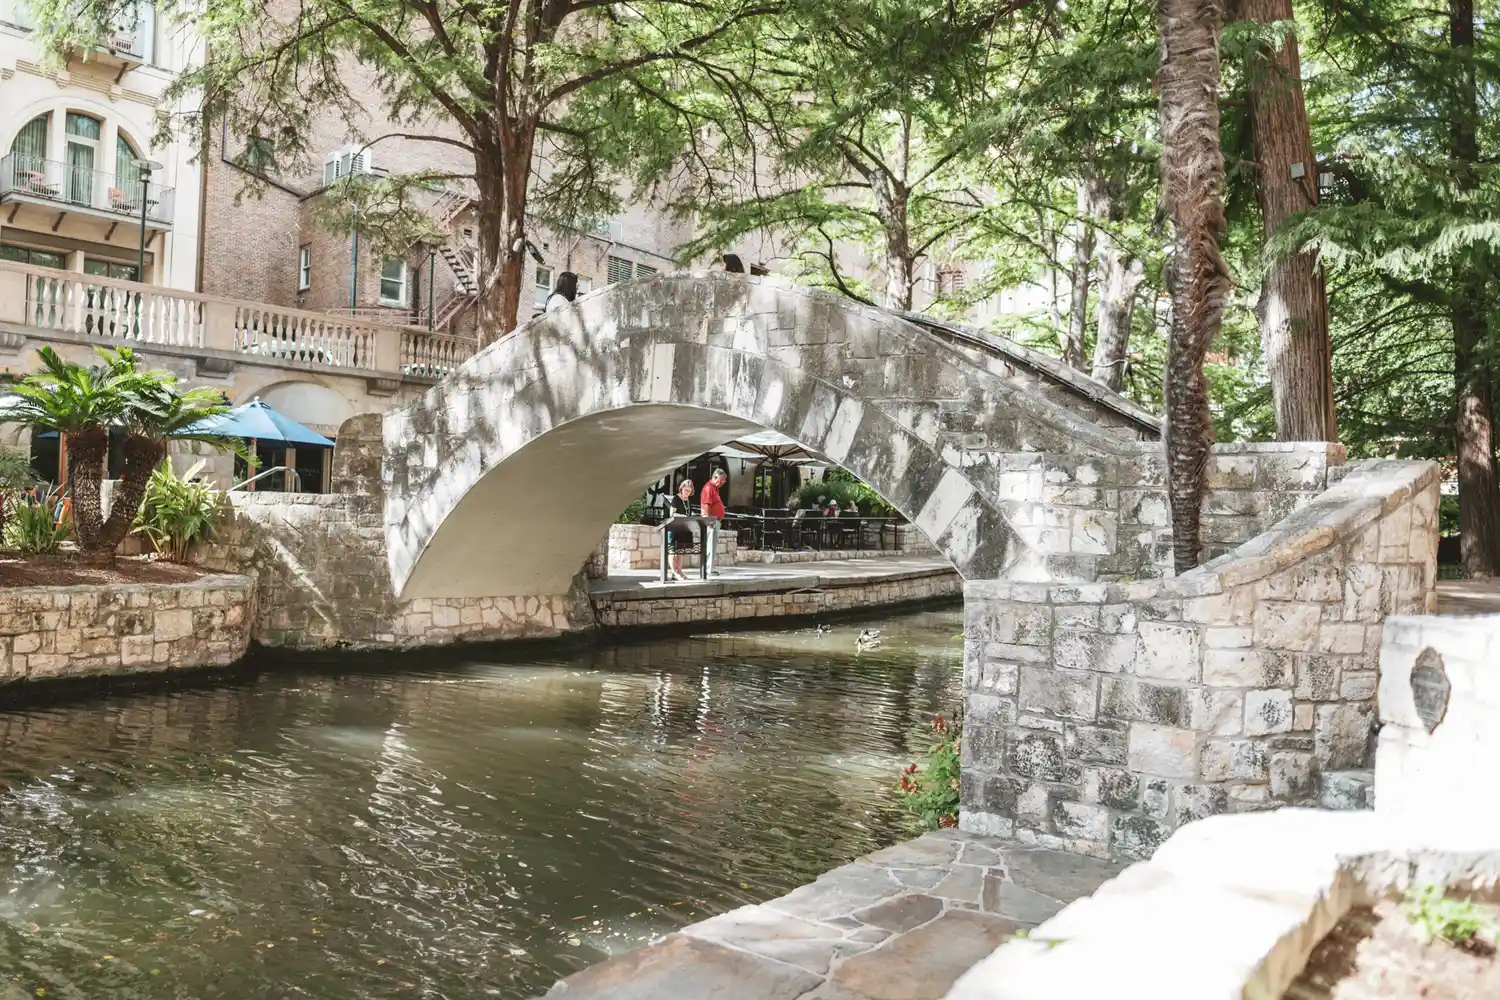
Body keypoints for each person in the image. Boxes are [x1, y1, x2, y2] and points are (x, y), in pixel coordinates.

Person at [666, 479, 696, 581]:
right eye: (686, 490)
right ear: (681, 488)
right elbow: (672, 513)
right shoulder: (676, 498)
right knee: (672, 551)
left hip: (684, 528)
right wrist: (682, 515)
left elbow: (689, 513)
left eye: (689, 491)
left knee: (680, 551)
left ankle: (679, 570)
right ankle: (673, 572)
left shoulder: (688, 501)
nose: (687, 493)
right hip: (674, 527)